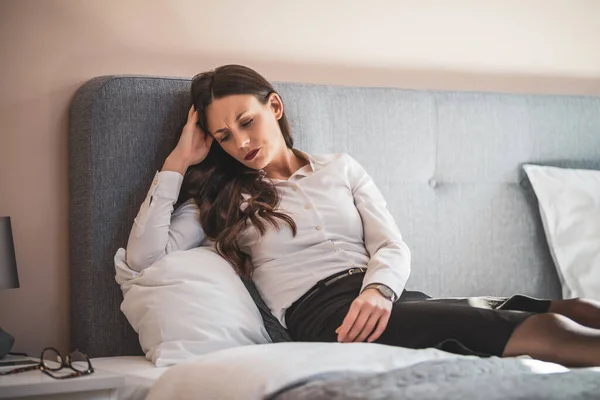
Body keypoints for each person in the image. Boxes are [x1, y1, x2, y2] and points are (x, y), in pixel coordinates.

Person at [125, 64, 600, 367]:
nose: (241, 143)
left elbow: (390, 245)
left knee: (558, 308)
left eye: (246, 122)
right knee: (526, 329)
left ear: (274, 105)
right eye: (224, 136)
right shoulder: (221, 196)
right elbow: (146, 258)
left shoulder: (341, 167)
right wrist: (177, 163)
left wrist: (378, 289)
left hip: (389, 295)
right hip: (325, 316)